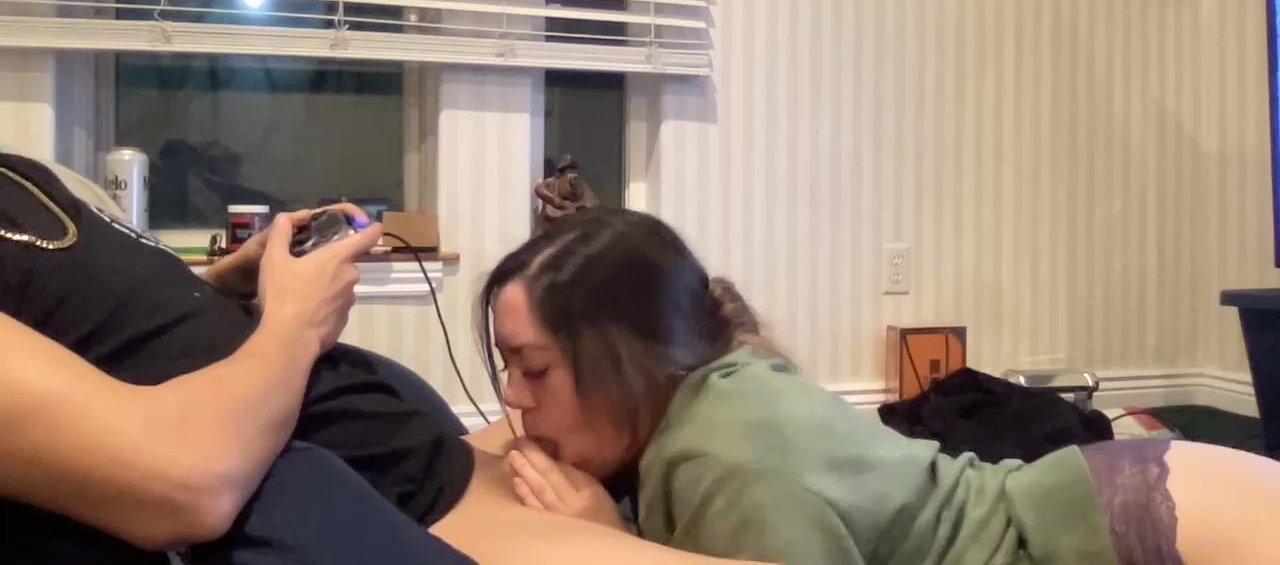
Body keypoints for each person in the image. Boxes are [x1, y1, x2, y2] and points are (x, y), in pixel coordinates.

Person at [0, 152, 760, 565]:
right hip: (396, 495)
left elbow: (116, 332)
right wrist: (295, 322)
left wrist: (225, 287)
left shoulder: (23, 178)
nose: (514, 391)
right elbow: (181, 483)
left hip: (416, 448)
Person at [482, 207, 1280, 565]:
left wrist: (610, 550)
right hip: (1141, 493)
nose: (514, 397)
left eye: (535, 367)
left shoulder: (726, 468)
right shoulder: (712, 384)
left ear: (632, 358)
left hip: (1161, 530)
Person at [533, 154, 598, 232]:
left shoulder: (582, 188)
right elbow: (539, 189)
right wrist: (555, 201)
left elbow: (591, 203)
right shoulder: (554, 182)